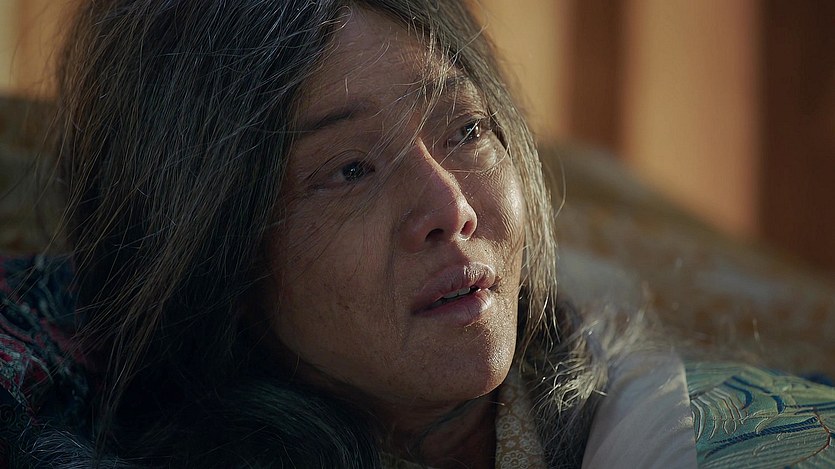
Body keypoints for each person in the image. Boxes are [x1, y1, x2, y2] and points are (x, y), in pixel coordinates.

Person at [5, 0, 834, 468]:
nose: (450, 206)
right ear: (219, 256)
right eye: (349, 170)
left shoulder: (698, 433)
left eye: (466, 130)